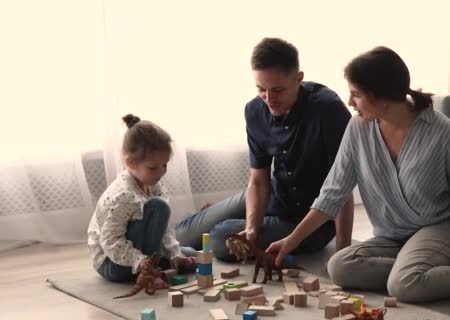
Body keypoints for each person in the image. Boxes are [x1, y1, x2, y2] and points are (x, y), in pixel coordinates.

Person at [267, 46, 450, 302]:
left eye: (357, 94)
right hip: (392, 237)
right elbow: (332, 195)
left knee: (403, 286)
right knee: (339, 266)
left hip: (440, 229)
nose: (350, 101)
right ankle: (420, 269)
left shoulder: (444, 133)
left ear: (382, 97)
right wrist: (290, 242)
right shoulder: (358, 129)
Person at [175, 38, 354, 261]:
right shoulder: (254, 110)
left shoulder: (328, 110)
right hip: (273, 196)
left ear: (299, 79)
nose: (269, 99)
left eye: (278, 90)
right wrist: (251, 227)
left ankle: (220, 221)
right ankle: (223, 219)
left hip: (310, 220)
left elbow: (342, 189)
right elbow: (258, 180)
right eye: (261, 89)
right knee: (181, 235)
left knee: (220, 238)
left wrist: (342, 253)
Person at [87, 114, 196, 283]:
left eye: (164, 165)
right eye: (153, 167)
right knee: (158, 207)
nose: (161, 172)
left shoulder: (154, 186)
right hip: (112, 263)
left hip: (138, 249)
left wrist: (175, 254)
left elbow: (163, 228)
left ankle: (165, 259)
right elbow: (110, 241)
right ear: (130, 163)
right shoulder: (123, 195)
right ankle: (151, 266)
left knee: (189, 253)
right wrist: (140, 261)